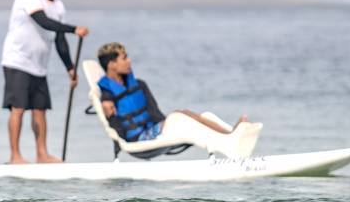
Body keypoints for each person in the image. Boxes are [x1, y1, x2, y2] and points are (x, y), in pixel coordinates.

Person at [1, 0, 89, 163]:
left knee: (40, 110)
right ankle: (15, 156)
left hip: (39, 66)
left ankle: (42, 154)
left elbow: (59, 39)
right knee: (18, 108)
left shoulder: (58, 6)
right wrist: (74, 29)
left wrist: (70, 68)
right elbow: (43, 22)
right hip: (17, 60)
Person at [96, 42, 249, 141]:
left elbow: (154, 111)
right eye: (124, 58)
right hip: (137, 138)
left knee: (187, 115)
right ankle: (230, 135)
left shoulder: (139, 85)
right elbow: (109, 105)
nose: (129, 61)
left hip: (152, 130)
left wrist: (167, 123)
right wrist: (105, 102)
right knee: (181, 116)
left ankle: (230, 133)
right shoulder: (107, 95)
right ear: (112, 64)